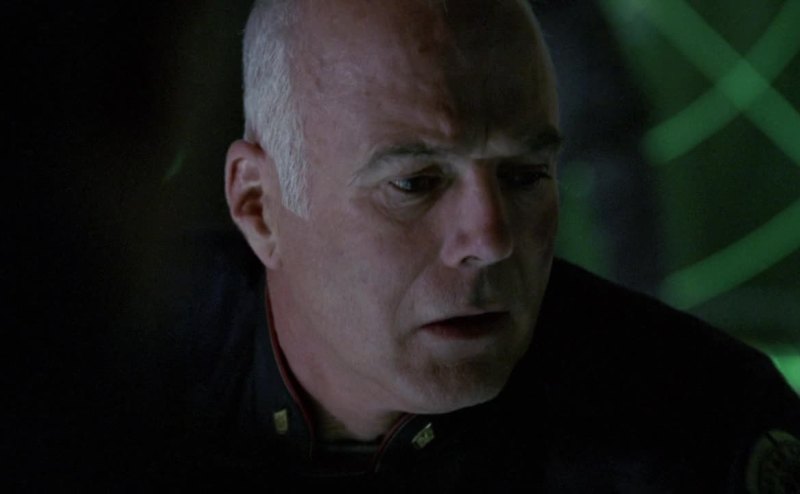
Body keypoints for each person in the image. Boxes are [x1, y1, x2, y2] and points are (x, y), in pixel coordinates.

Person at [144, 0, 800, 491]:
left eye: (525, 176)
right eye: (414, 183)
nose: (490, 240)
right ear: (258, 207)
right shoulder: (111, 372)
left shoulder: (705, 429)